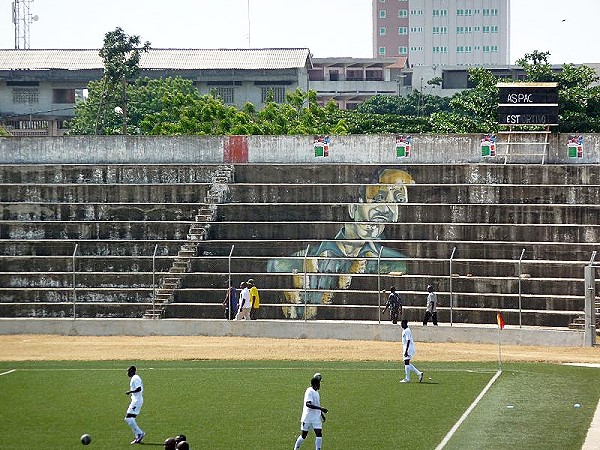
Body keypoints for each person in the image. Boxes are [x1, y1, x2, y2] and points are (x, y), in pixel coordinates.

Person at [268, 167, 415, 319]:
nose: (386, 210)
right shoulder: (302, 259)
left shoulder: (393, 261)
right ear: (353, 208)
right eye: (378, 199)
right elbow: (274, 266)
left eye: (397, 201)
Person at [294, 374, 328, 450]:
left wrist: (321, 414)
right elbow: (308, 404)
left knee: (319, 433)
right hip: (308, 417)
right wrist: (321, 408)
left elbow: (316, 404)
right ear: (316, 384)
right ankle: (296, 448)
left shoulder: (316, 392)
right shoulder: (309, 391)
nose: (320, 385)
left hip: (316, 418)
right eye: (319, 383)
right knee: (304, 435)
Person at [124, 365, 145, 444]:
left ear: (132, 371)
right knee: (129, 418)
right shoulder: (135, 378)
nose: (127, 373)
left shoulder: (135, 378)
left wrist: (130, 392)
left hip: (137, 401)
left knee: (128, 418)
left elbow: (138, 388)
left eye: (128, 371)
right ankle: (138, 436)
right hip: (136, 400)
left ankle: (140, 433)